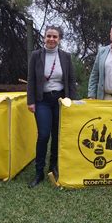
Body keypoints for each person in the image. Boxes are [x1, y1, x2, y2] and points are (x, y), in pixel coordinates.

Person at [27, 25, 77, 188]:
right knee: (43, 134)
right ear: (44, 37)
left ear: (59, 39)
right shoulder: (36, 56)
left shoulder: (66, 56)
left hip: (60, 100)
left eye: (55, 37)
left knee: (57, 135)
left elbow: (70, 80)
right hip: (42, 100)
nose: (51, 39)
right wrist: (31, 101)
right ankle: (39, 172)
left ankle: (53, 167)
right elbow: (32, 80)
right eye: (49, 36)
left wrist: (72, 102)